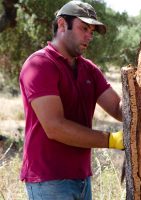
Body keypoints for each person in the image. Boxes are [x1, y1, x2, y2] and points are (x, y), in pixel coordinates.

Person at [19, 1, 124, 199]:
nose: (89, 36)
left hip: (82, 177)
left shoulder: (89, 69)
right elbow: (54, 126)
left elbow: (118, 109)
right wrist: (111, 140)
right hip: (49, 180)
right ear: (61, 24)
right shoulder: (40, 64)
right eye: (84, 28)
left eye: (92, 31)